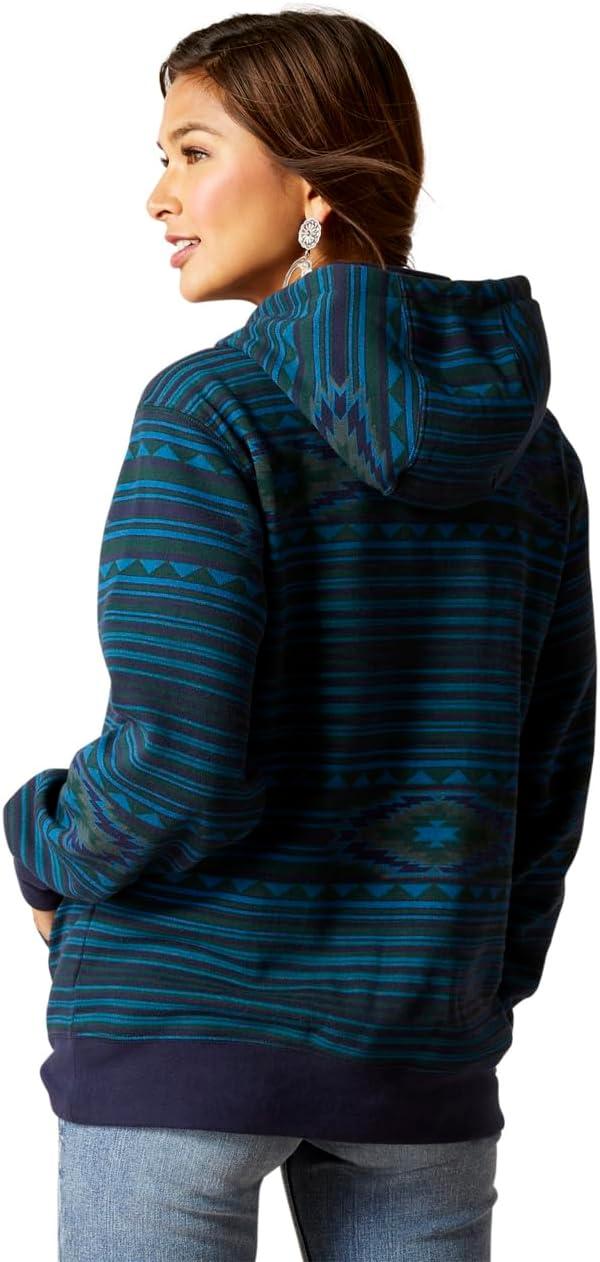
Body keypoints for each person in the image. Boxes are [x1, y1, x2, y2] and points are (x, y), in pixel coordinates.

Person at [4, 9, 595, 1261]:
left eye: (193, 152)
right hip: (418, 1053)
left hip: (182, 1041)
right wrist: (465, 990)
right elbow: (548, 774)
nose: (158, 197)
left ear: (313, 186)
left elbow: (174, 758)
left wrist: (41, 838)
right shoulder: (533, 453)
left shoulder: (211, 411)